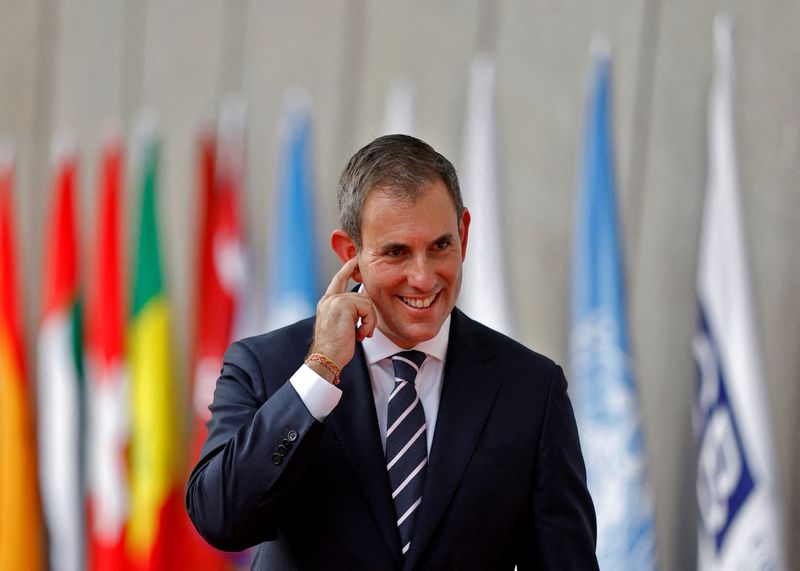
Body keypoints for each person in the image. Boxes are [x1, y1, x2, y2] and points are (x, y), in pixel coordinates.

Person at [186, 134, 598, 570]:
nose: (423, 278)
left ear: (464, 232)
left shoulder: (531, 390)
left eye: (440, 246)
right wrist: (320, 371)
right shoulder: (266, 368)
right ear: (351, 254)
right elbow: (222, 520)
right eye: (397, 253)